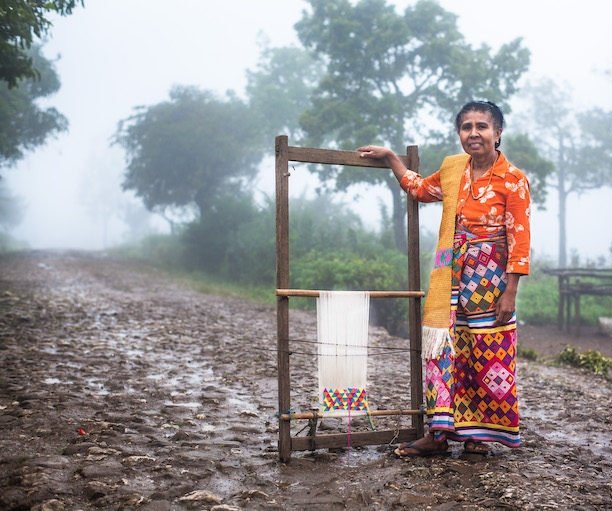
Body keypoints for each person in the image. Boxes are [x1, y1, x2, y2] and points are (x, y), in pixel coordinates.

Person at [357, 100, 530, 456]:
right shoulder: (453, 170)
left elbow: (520, 240)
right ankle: (437, 435)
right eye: (466, 127)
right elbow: (420, 189)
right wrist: (392, 157)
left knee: (484, 355)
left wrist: (510, 291)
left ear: (498, 133)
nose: (474, 134)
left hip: (490, 283)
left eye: (482, 126)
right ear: (459, 134)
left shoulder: (513, 180)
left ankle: (475, 436)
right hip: (449, 275)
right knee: (443, 353)